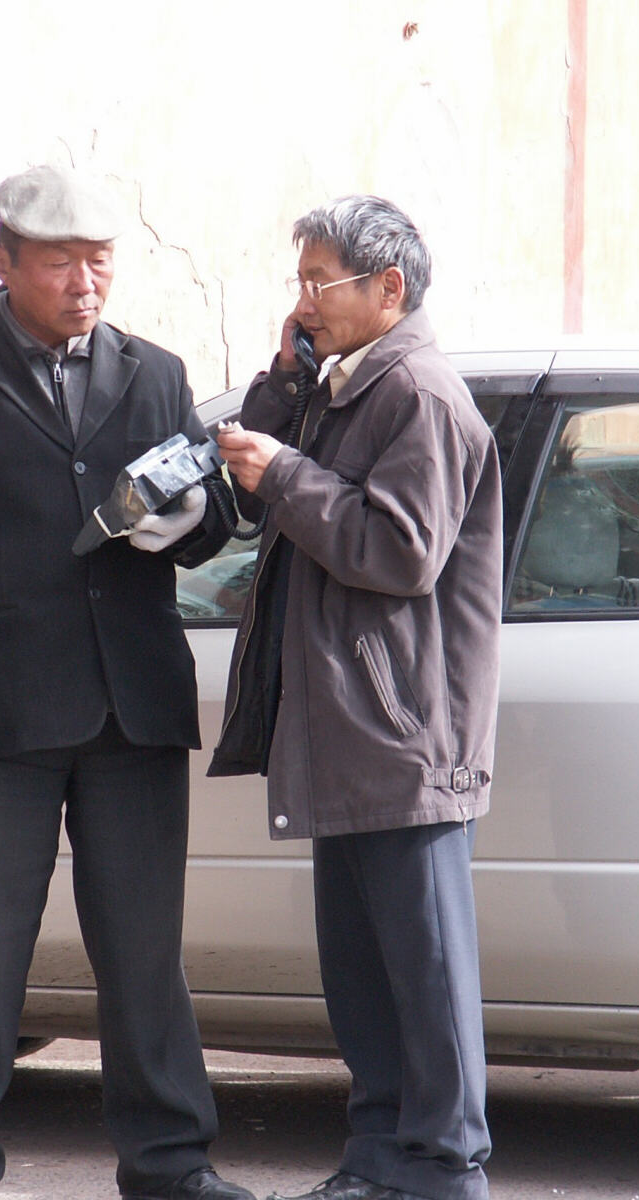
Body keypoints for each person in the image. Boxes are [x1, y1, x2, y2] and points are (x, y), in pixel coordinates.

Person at [0, 163, 253, 1200]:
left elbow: (205, 515)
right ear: (4, 262)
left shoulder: (155, 373)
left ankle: (170, 1163)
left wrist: (192, 523)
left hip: (133, 706)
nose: (85, 282)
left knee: (142, 955)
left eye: (100, 260)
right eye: (58, 262)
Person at [211, 195, 502, 1200]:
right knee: (365, 980)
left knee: (423, 982)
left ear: (388, 289)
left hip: (403, 736)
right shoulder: (343, 384)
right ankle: (379, 1162)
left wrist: (286, 472)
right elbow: (269, 471)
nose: (303, 300)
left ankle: (444, 1170)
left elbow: (399, 550)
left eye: (316, 283)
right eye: (298, 282)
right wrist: (284, 386)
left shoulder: (416, 392)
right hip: (349, 729)